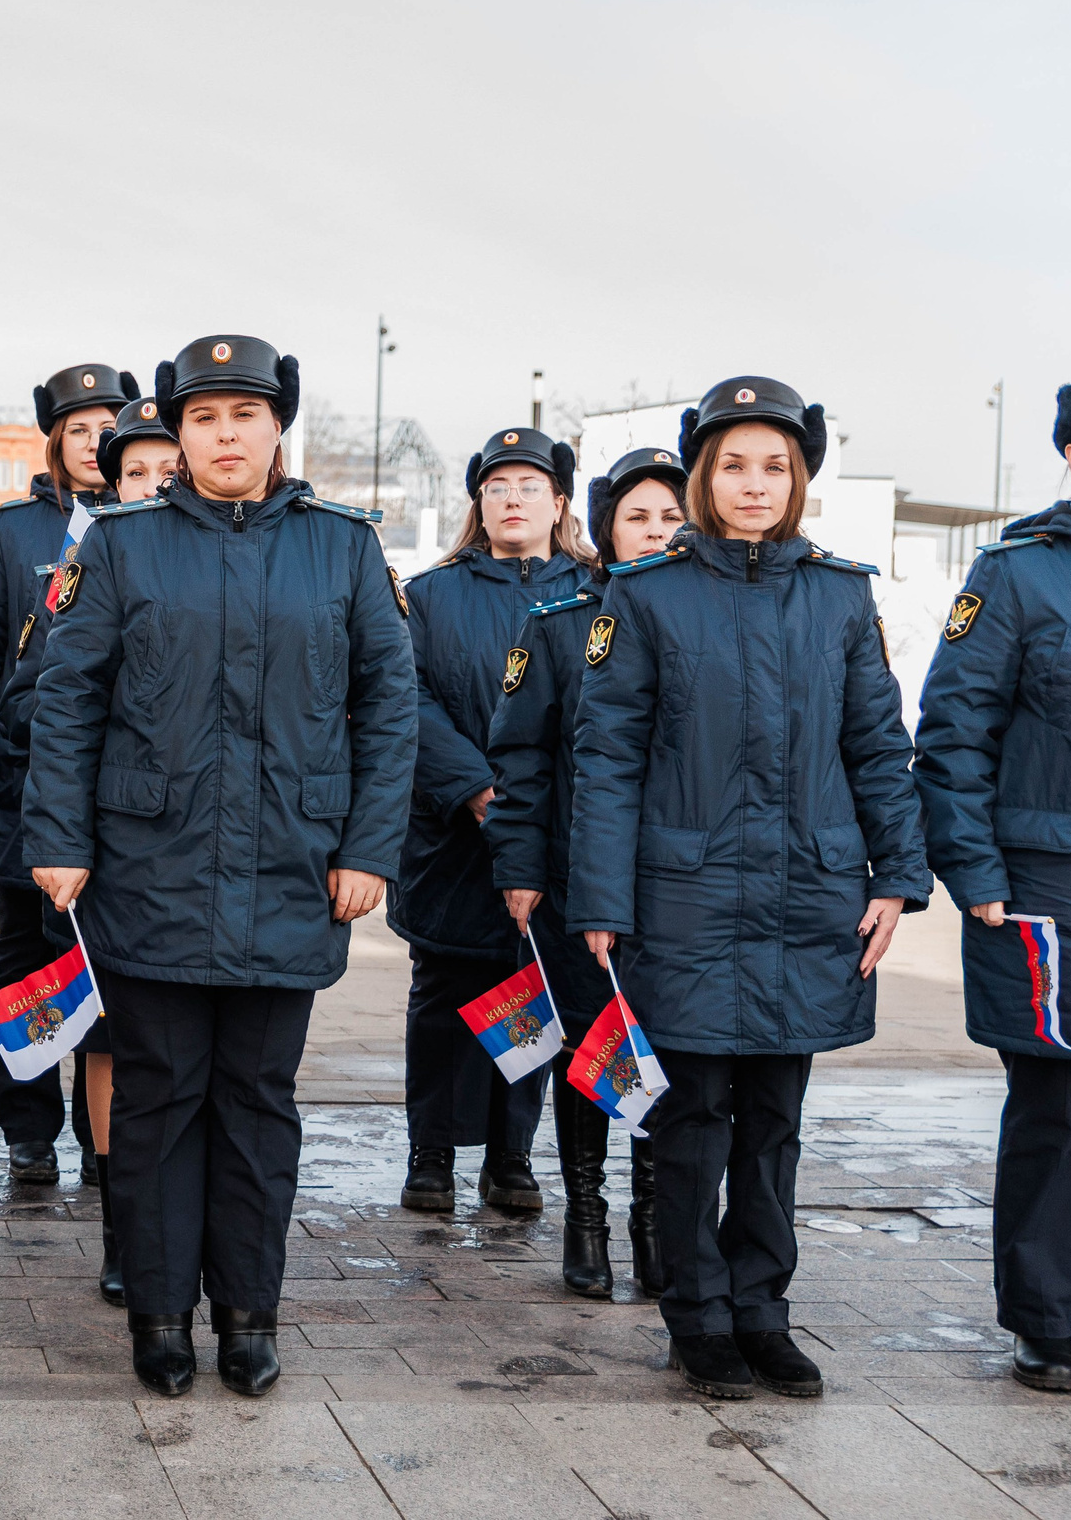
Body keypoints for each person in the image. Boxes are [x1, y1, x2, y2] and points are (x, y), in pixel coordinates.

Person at [24, 335, 416, 1398]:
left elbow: (388, 703)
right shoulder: (121, 543)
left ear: (278, 425)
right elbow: (69, 699)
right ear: (176, 433)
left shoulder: (340, 547)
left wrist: (369, 847)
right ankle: (157, 1312)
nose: (226, 433)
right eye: (203, 417)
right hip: (150, 865)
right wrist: (57, 835)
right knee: (155, 1098)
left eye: (244, 413)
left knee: (256, 1100)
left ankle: (247, 1310)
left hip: (294, 866)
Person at [568, 375, 928, 1402]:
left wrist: (896, 876)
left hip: (807, 897)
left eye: (775, 464)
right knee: (690, 1119)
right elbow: (607, 759)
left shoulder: (839, 592)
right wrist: (600, 902)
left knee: (773, 1117)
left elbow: (875, 742)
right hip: (680, 896)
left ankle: (763, 1308)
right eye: (734, 464)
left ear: (800, 476)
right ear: (702, 476)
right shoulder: (644, 594)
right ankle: (698, 1314)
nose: (755, 482)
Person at [914, 369, 1071, 1395]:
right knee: (1058, 1112)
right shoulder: (1019, 572)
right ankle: (1041, 1318)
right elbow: (954, 733)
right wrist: (973, 872)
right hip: (1056, 890)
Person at [485, 446, 688, 1297]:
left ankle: (653, 1223)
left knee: (667, 1052)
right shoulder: (562, 620)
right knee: (592, 1046)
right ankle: (588, 1216)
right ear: (604, 526)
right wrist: (520, 867)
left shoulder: (708, 614)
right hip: (577, 881)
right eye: (637, 516)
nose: (655, 532)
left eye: (672, 517)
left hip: (682, 884)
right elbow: (522, 758)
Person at [0, 396, 179, 1305]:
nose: (153, 485)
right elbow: (30, 699)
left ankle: (166, 1220)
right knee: (109, 1037)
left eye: (165, 470)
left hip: (193, 850)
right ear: (108, 483)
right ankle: (120, 1223)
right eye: (135, 472)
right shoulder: (82, 565)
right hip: (102, 843)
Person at [0, 363, 130, 1183]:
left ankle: (103, 1131)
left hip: (114, 785)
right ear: (56, 441)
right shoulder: (15, 531)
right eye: (79, 429)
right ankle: (27, 1127)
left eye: (106, 428)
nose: (94, 443)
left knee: (97, 953)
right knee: (24, 952)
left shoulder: (148, 522)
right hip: (20, 778)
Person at [390, 429, 590, 1217]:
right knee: (442, 993)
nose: (513, 499)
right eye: (498, 486)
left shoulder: (593, 592)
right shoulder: (433, 595)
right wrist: (474, 788)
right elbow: (407, 696)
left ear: (560, 504)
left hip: (552, 835)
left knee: (530, 987)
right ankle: (431, 1151)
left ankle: (511, 1156)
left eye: (529, 486)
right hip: (452, 837)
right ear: (479, 503)